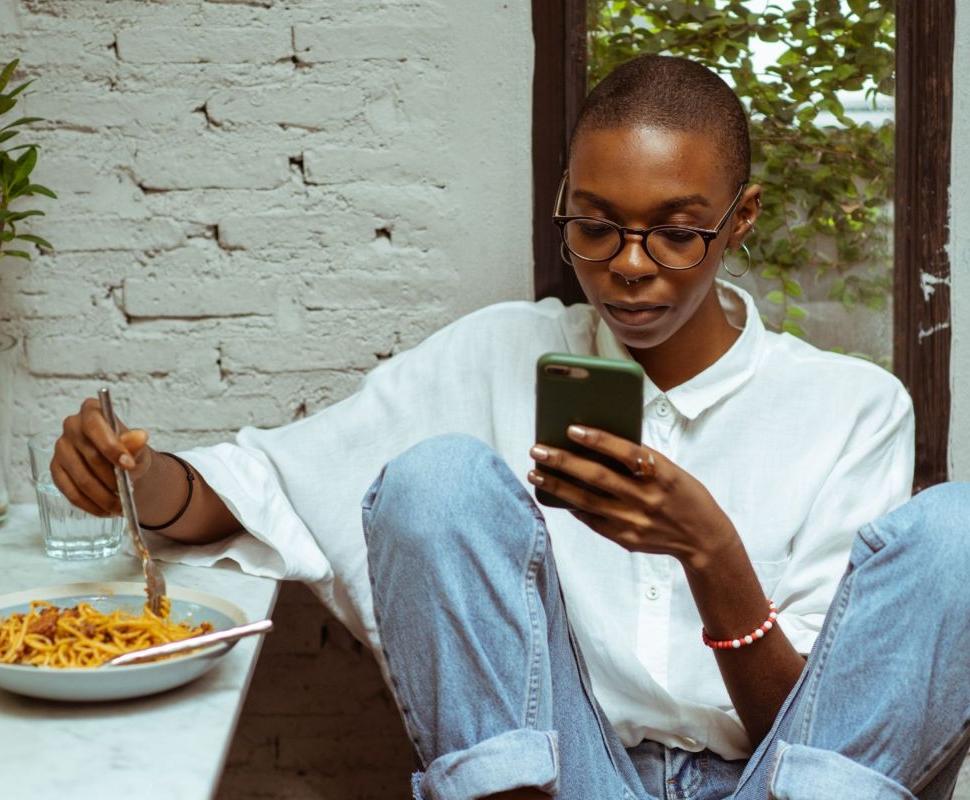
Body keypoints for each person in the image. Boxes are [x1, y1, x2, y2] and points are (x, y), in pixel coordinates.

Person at [52, 56, 970, 799]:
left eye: (676, 232)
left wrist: (711, 557)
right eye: (596, 227)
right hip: (563, 780)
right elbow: (274, 483)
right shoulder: (496, 355)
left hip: (771, 784)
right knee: (436, 480)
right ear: (565, 203)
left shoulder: (851, 407)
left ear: (741, 220)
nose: (629, 268)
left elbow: (824, 739)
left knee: (959, 531)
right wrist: (139, 475)